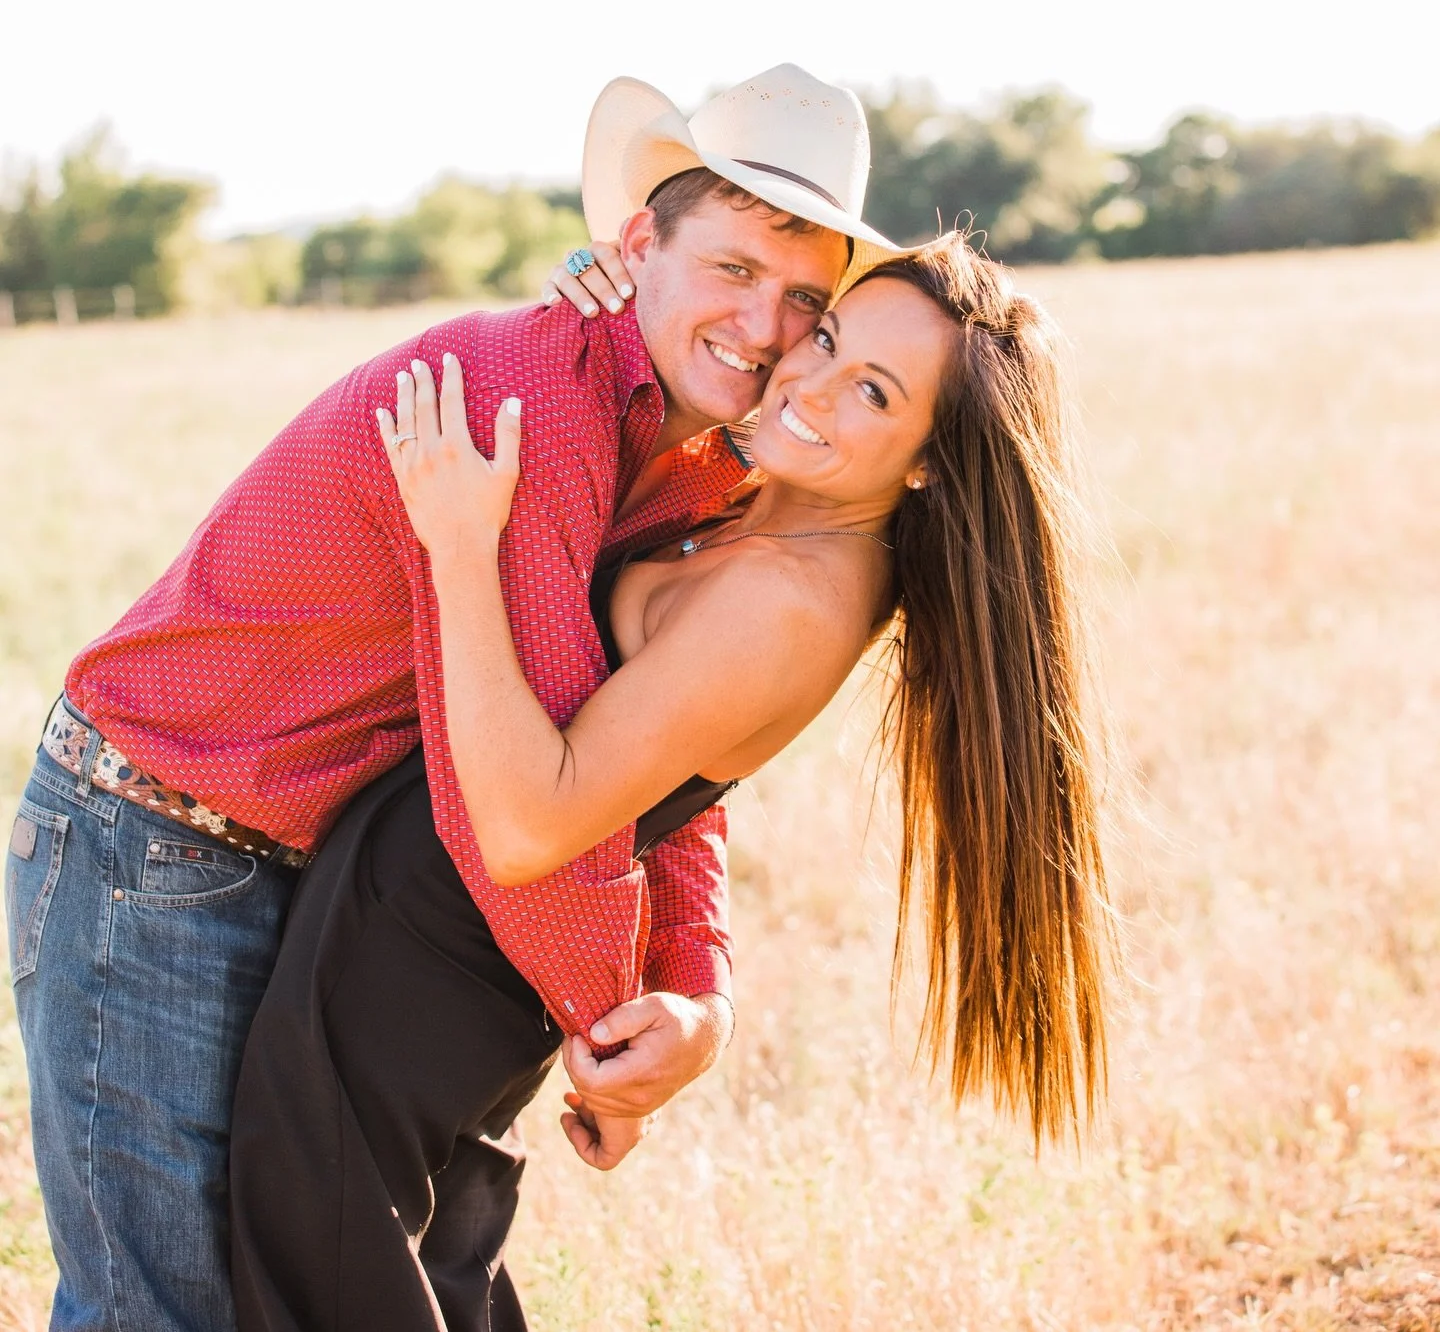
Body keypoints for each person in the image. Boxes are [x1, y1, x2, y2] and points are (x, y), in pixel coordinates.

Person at [5, 63, 889, 1332]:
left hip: (297, 869)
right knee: (164, 1306)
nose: (764, 325)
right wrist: (612, 1031)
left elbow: (657, 754)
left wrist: (697, 977)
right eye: (735, 269)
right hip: (149, 842)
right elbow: (518, 817)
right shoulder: (519, 403)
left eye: (803, 299)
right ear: (638, 242)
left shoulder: (699, 465)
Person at [226, 228, 1116, 1328]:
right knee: (391, 1285)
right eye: (825, 336)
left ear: (932, 454)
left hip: (421, 973)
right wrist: (611, 299)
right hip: (439, 956)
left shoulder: (791, 595)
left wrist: (459, 547)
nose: (808, 383)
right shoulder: (770, 512)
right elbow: (662, 772)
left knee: (327, 1291)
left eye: (872, 391)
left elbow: (526, 824)